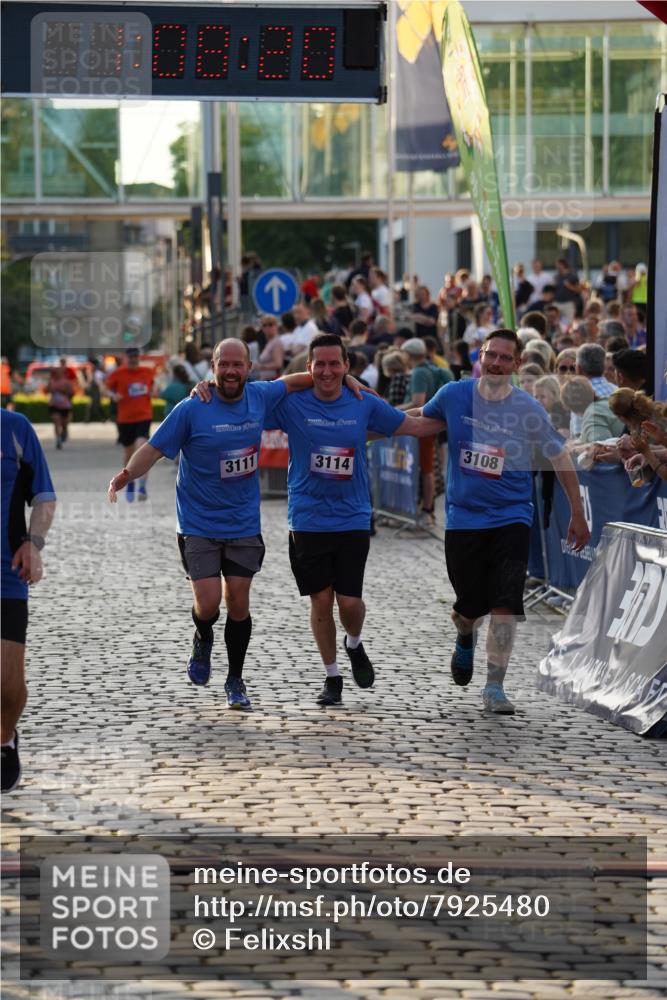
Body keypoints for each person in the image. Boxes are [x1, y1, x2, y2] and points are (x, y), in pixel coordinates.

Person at [109, 340, 371, 710]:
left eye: (238, 365)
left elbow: (303, 378)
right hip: (198, 521)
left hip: (244, 522)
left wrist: (348, 381)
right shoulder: (192, 408)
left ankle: (235, 679)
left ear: (249, 368)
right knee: (209, 602)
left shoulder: (261, 396)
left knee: (238, 603)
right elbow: (155, 447)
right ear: (213, 367)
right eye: (224, 365)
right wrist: (126, 474)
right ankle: (202, 635)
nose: (231, 371)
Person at [416, 330, 590, 714]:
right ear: (480, 356)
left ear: (516, 362)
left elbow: (559, 457)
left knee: (506, 602)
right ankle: (464, 633)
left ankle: (495, 685)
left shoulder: (528, 408)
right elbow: (418, 420)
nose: (496, 363)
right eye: (490, 355)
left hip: (512, 514)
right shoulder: (455, 394)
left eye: (504, 358)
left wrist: (577, 512)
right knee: (470, 606)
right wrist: (359, 421)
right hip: (463, 519)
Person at [264, 333, 439, 707]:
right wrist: (206, 390)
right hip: (307, 519)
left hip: (353, 517)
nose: (327, 371)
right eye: (320, 364)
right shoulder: (292, 403)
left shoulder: (361, 402)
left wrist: (462, 409)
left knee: (349, 603)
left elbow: (413, 425)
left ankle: (354, 644)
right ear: (309, 368)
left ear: (347, 366)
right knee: (321, 600)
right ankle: (332, 676)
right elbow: (246, 403)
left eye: (335, 364)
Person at [1, 411, 57, 791]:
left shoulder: (15, 429)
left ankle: (4, 737)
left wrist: (32, 545)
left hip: (5, 569)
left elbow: (44, 496)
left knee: (6, 686)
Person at [103, 348, 155, 501]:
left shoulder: (147, 371)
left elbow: (153, 387)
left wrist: (154, 390)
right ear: (126, 358)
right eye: (131, 357)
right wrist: (113, 395)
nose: (133, 360)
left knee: (142, 447)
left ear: (139, 357)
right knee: (128, 454)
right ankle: (129, 481)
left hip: (144, 416)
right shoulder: (118, 373)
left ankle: (142, 486)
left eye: (135, 357)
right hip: (125, 419)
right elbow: (105, 389)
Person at [47, 360, 77, 449]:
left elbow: (72, 393)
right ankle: (58, 439)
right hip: (54, 404)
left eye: (59, 372)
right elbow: (47, 390)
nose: (57, 374)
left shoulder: (66, 381)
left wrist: (64, 391)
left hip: (65, 405)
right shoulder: (51, 381)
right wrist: (51, 390)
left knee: (64, 423)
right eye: (56, 372)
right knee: (56, 421)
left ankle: (64, 431)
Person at [253, 315, 285, 380]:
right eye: (264, 325)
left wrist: (261, 366)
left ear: (276, 326)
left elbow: (278, 364)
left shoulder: (276, 342)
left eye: (270, 324)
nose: (267, 327)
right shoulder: (269, 342)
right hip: (264, 379)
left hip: (271, 381)